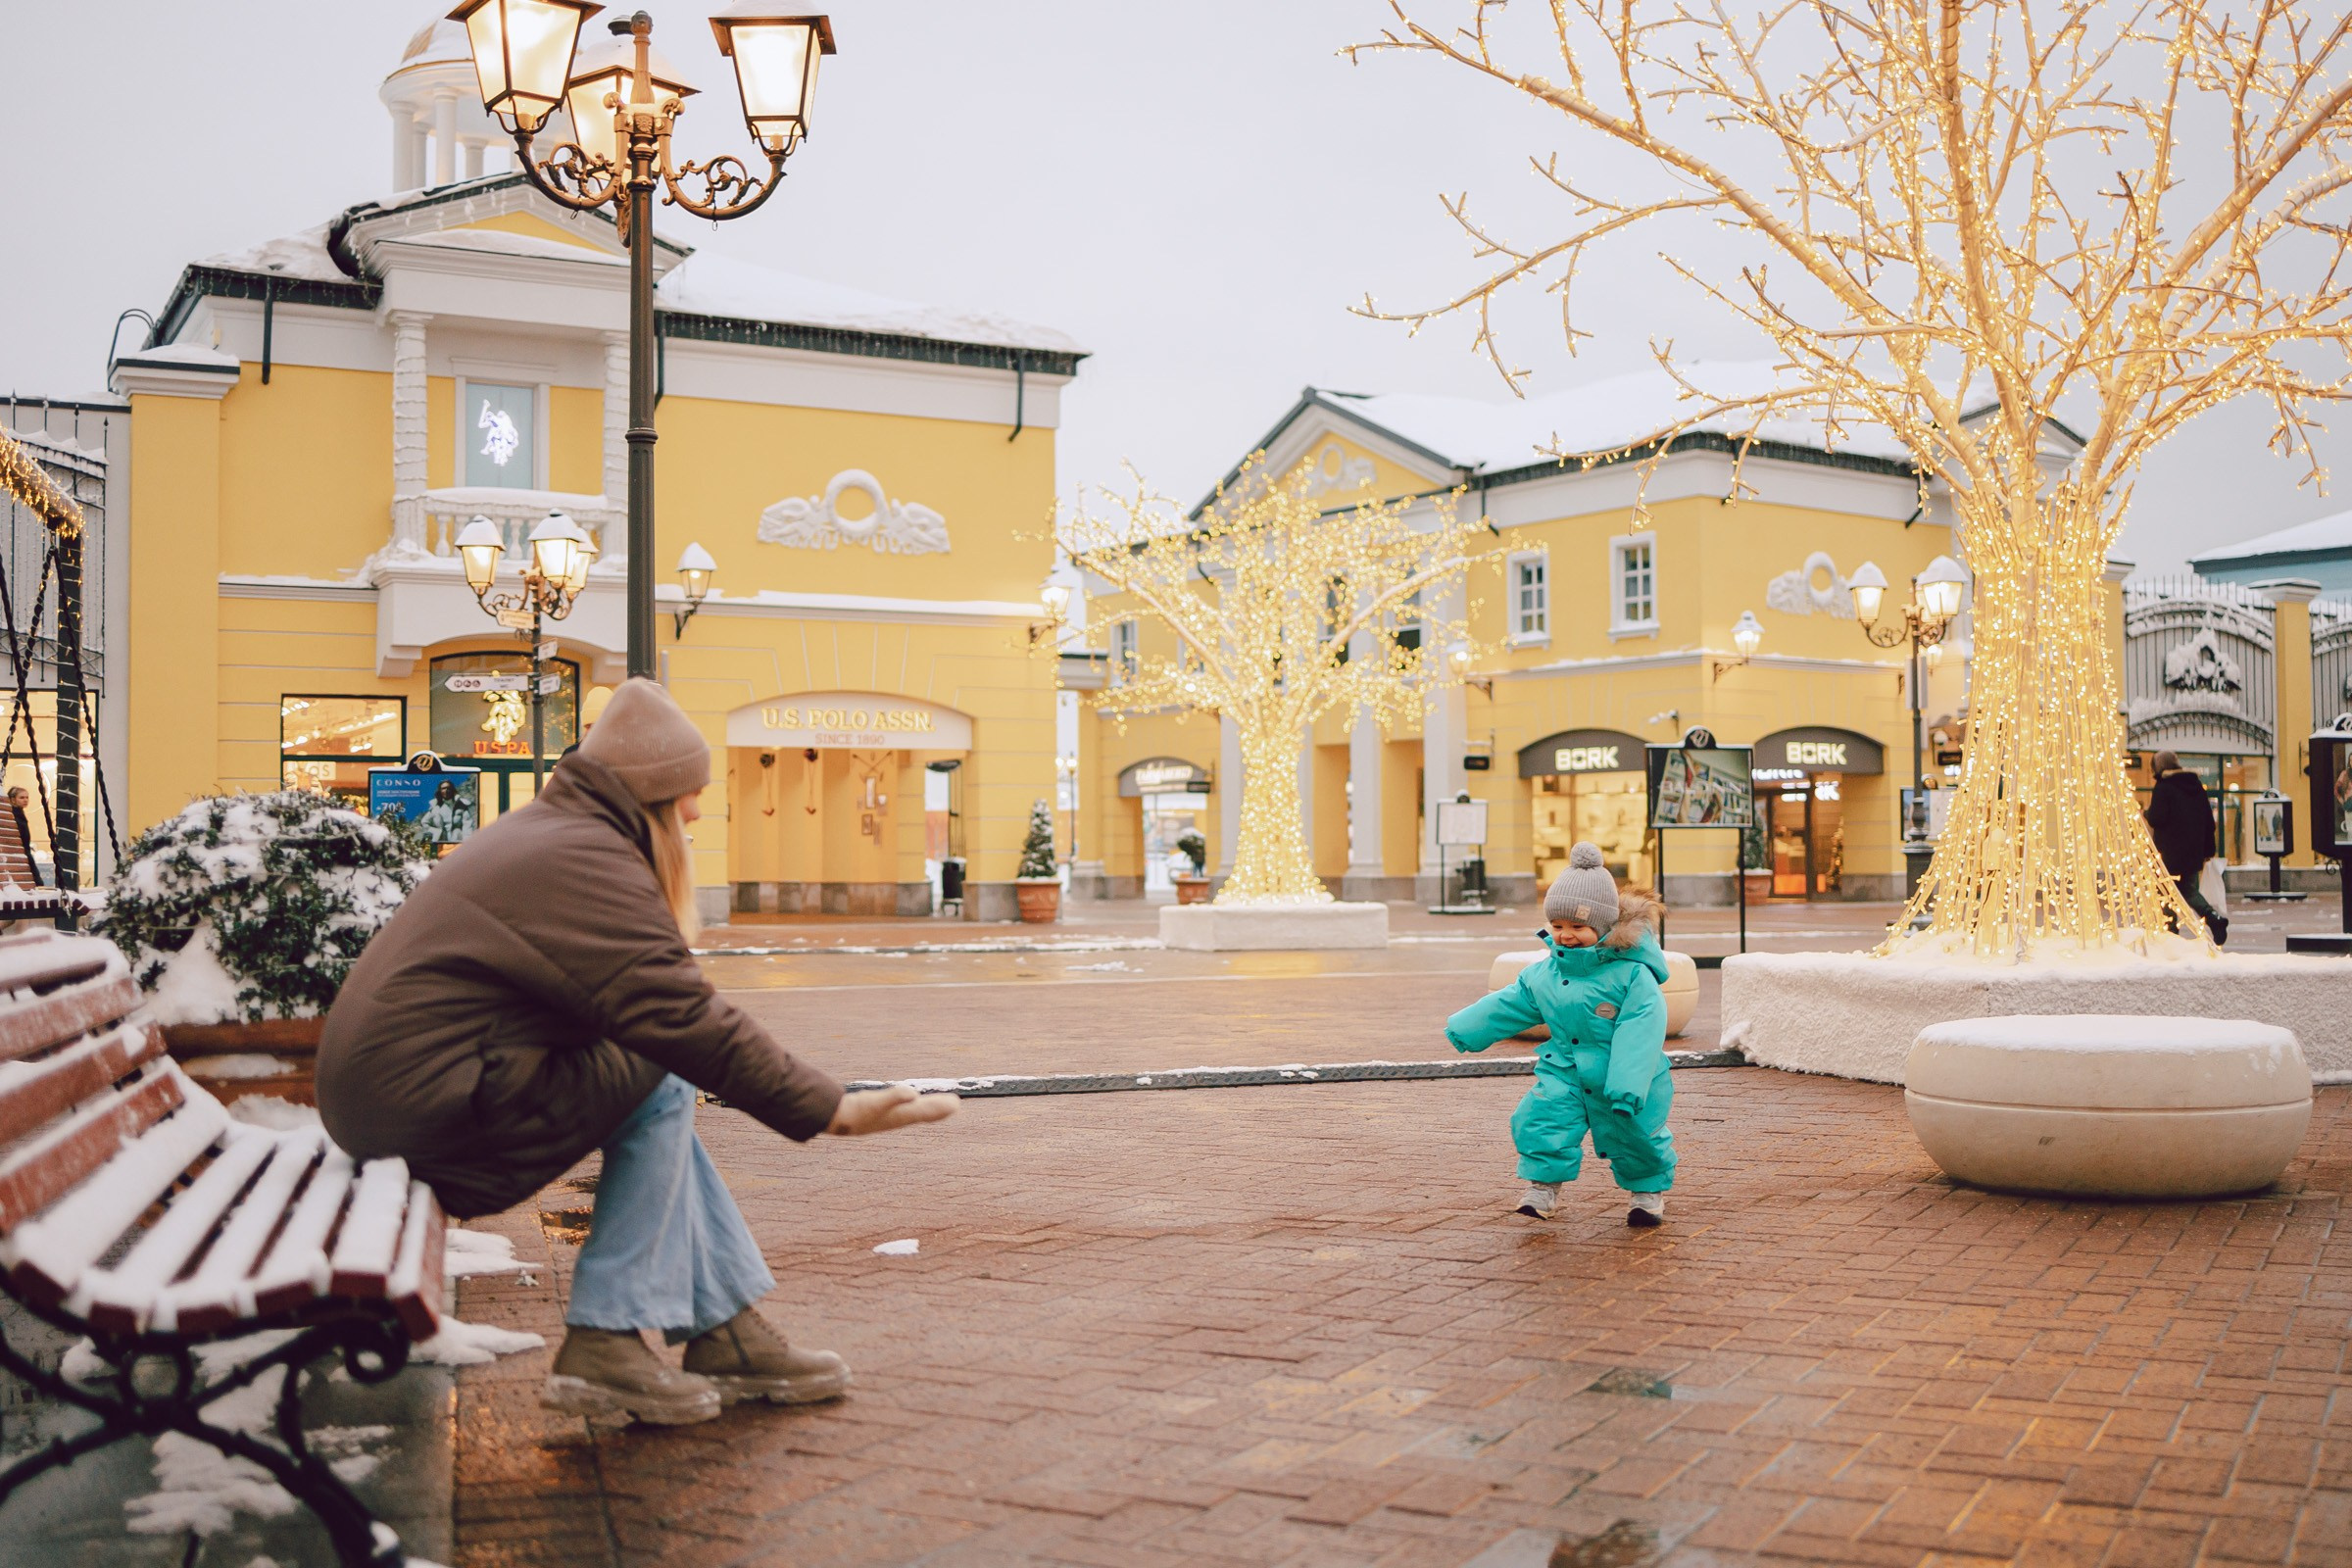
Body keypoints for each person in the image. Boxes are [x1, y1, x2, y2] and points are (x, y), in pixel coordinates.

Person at [318, 678, 956, 1427]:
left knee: (652, 1069)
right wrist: (831, 1109)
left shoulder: (557, 833)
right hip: (422, 1112)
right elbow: (681, 1015)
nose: (695, 811)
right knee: (658, 1071)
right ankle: (607, 1340)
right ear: (652, 795)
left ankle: (726, 1330)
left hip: (400, 1099)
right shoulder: (582, 859)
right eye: (688, 794)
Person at [1443, 842, 1676, 1228]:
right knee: (1542, 1119)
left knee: (1637, 1135)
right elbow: (1512, 1002)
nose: (1565, 936)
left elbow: (1641, 1030)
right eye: (1558, 926)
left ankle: (1647, 1192)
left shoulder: (1633, 974)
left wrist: (1627, 1083)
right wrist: (1466, 1026)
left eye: (1578, 927)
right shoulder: (1546, 973)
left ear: (1604, 926)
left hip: (1627, 1076)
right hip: (1564, 1069)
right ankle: (1542, 1189)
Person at [2143, 749, 2227, 944]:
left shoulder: (2163, 787)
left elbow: (2157, 818)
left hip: (2169, 853)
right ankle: (2213, 918)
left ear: (2159, 766)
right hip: (2192, 853)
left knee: (2165, 892)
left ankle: (2171, 933)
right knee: (2189, 891)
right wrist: (2207, 850)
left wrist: (2146, 813)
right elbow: (2209, 821)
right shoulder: (2196, 785)